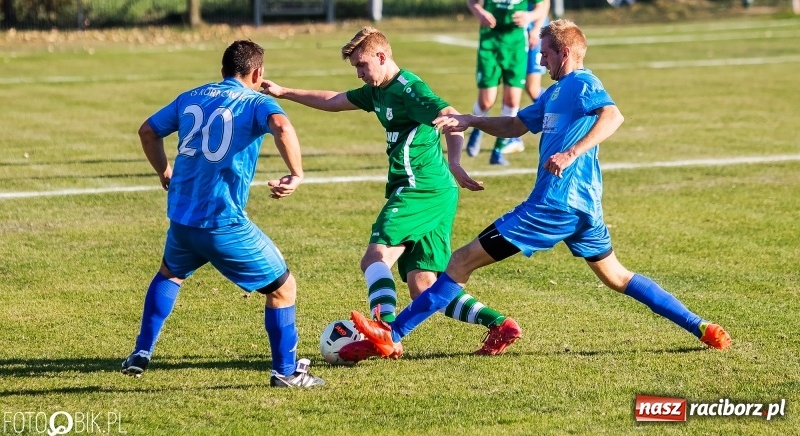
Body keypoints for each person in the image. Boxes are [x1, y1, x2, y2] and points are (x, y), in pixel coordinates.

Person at [351, 20, 732, 359]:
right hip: (584, 209)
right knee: (617, 277)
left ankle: (391, 333)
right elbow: (515, 126)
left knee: (460, 261)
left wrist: (571, 152)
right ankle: (701, 327)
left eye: (545, 53)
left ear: (564, 53)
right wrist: (471, 120)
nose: (540, 61)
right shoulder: (553, 94)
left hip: (553, 204)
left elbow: (613, 115)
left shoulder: (582, 83)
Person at [261, 27, 522, 361]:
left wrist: (455, 161)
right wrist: (284, 92)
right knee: (423, 285)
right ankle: (501, 325)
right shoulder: (378, 91)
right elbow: (334, 100)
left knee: (375, 257)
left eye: (362, 65)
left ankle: (383, 330)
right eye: (355, 67)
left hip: (419, 187)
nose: (359, 72)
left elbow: (450, 116)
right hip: (434, 191)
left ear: (382, 57)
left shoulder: (409, 89)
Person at [121, 40, 324, 388]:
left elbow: (148, 131)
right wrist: (296, 173)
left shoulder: (191, 96)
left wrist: (164, 171)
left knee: (170, 273)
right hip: (222, 222)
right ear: (257, 73)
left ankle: (141, 351)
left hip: (182, 220)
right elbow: (282, 126)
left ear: (223, 71)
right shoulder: (256, 102)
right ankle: (286, 372)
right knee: (283, 287)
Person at [465, 0, 548, 166]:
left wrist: (530, 18)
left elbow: (541, 6)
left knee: (512, 101)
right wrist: (480, 12)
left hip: (516, 45)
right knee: (487, 101)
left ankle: (498, 151)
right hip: (490, 43)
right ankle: (477, 130)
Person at [500, 0, 556, 158]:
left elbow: (545, 1)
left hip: (534, 32)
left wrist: (535, 30)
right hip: (512, 35)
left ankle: (560, 118)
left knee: (532, 86)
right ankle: (513, 136)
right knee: (513, 84)